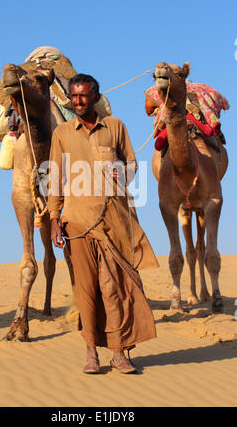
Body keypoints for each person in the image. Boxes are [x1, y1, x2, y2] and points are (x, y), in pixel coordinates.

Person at [48, 74, 159, 374]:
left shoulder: (116, 127)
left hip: (115, 222)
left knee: (115, 289)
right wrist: (54, 220)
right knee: (86, 290)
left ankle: (119, 352)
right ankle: (90, 353)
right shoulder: (62, 134)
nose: (78, 101)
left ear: (96, 97)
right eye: (74, 97)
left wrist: (121, 171)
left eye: (84, 96)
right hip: (77, 223)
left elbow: (133, 166)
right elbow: (55, 179)